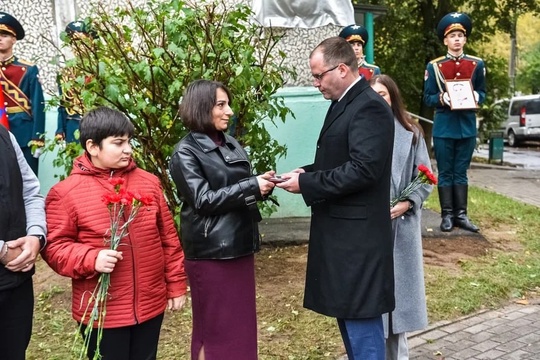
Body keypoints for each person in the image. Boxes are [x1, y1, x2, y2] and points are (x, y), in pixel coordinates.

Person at [276, 37, 395, 360]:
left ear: (342, 69)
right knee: (349, 315)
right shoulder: (345, 102)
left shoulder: (369, 106)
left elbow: (363, 170)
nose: (315, 83)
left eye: (318, 76)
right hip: (344, 237)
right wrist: (306, 172)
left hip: (358, 241)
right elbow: (343, 160)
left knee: (361, 320)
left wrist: (309, 183)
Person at [41, 106, 187, 360]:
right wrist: (91, 258)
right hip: (102, 313)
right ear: (92, 146)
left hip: (149, 304)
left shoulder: (148, 183)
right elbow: (54, 247)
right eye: (118, 143)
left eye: (129, 142)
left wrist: (175, 284)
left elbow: (168, 240)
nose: (128, 149)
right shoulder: (65, 193)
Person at [169, 79, 275, 360]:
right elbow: (203, 200)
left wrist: (263, 185)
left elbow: (235, 190)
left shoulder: (230, 143)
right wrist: (251, 186)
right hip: (211, 254)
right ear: (201, 107)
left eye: (228, 104)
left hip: (239, 245)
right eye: (220, 105)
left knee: (240, 328)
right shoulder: (185, 152)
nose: (229, 111)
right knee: (213, 330)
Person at [370, 74, 433, 360]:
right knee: (372, 302)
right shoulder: (363, 130)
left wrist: (408, 202)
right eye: (374, 94)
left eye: (383, 94)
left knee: (398, 306)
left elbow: (426, 177)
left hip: (401, 227)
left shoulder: (412, 132)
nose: (378, 99)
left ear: (393, 97)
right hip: (370, 227)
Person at [423, 12, 486, 233]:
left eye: (460, 35)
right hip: (444, 126)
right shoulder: (435, 67)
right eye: (453, 36)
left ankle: (462, 215)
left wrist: (479, 96)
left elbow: (482, 91)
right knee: (446, 171)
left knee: (461, 171)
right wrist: (442, 98)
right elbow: (428, 97)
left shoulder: (476, 64)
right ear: (445, 40)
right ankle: (447, 215)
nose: (457, 39)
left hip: (466, 126)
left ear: (465, 39)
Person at [0, 124, 47, 360]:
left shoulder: (4, 135)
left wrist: (36, 236)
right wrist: (1, 250)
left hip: (15, 283)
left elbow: (30, 191)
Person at [0, 12, 46, 175]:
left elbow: (38, 105)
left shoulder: (28, 69)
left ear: (14, 39)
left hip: (24, 135)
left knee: (27, 183)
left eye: (4, 35)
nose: (0, 38)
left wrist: (38, 139)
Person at [55, 20, 94, 144]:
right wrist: (60, 129)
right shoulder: (66, 72)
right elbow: (62, 104)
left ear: (91, 42)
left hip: (97, 124)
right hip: (72, 124)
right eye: (74, 43)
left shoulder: (101, 69)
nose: (77, 46)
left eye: (82, 42)